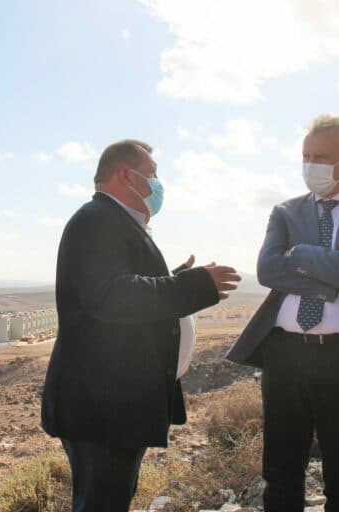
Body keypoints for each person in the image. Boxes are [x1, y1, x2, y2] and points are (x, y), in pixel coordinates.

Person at [41, 139, 240, 512]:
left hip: (115, 406)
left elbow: (124, 291)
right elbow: (112, 296)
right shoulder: (96, 221)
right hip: (102, 409)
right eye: (152, 175)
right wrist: (192, 285)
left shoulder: (115, 223)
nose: (157, 185)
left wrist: (177, 278)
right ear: (125, 175)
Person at [226, 115, 339, 512]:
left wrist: (301, 256)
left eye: (322, 156)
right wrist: (336, 270)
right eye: (306, 155)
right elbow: (269, 270)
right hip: (285, 355)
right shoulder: (286, 212)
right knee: (281, 474)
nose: (311, 165)